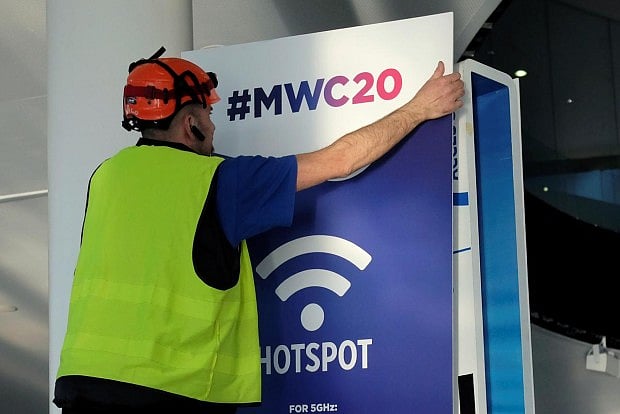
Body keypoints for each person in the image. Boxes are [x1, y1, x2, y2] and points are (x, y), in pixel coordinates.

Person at [53, 47, 464, 413]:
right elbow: (340, 160)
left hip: (82, 384)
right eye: (209, 115)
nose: (214, 127)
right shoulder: (221, 180)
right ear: (191, 123)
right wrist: (419, 109)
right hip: (169, 389)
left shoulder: (105, 177)